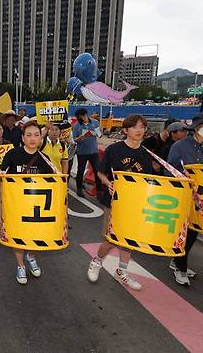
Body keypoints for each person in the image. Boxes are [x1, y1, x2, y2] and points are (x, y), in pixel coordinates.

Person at [86, 114, 153, 291]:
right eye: (135, 127)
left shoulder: (145, 154)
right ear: (125, 130)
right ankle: (97, 261)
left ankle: (121, 271)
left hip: (135, 203)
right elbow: (101, 173)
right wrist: (109, 184)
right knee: (112, 238)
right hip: (114, 201)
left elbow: (148, 179)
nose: (140, 130)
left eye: (142, 127)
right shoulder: (114, 150)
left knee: (128, 239)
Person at [166, 112, 203, 286]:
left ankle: (177, 261)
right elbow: (170, 170)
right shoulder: (179, 146)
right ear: (196, 127)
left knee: (193, 233)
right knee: (183, 232)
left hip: (200, 200)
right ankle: (181, 268)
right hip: (182, 196)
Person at [0, 121, 55, 284]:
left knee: (37, 234)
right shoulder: (13, 154)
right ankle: (21, 265)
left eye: (36, 135)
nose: (33, 138)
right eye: (28, 135)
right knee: (18, 235)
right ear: (22, 138)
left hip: (37, 207)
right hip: (16, 205)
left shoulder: (45, 158)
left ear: (41, 138)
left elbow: (54, 182)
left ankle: (31, 257)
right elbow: (2, 171)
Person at [72, 108, 102, 197]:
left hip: (93, 151)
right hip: (82, 152)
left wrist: (100, 131)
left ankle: (99, 189)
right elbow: (74, 139)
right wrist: (79, 138)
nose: (80, 120)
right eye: (78, 119)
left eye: (81, 118)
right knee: (80, 171)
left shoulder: (95, 122)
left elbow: (100, 135)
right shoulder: (76, 125)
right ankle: (79, 189)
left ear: (85, 115)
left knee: (97, 171)